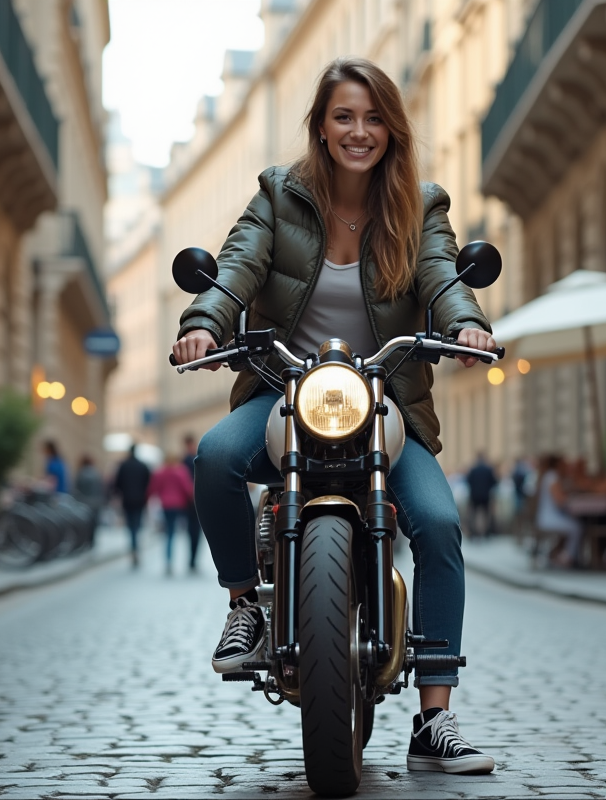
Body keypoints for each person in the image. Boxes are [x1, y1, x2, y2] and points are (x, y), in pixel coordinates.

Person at [171, 57, 496, 774]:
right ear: (321, 125)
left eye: (375, 117)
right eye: (344, 116)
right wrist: (205, 321)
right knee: (217, 458)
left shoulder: (422, 207)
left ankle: (435, 718)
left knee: (439, 523)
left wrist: (467, 322)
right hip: (283, 391)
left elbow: (442, 276)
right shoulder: (279, 196)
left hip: (382, 400)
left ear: (393, 128)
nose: (360, 131)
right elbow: (237, 267)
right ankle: (243, 604)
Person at [148, 454, 197, 576]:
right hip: (180, 505)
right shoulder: (180, 471)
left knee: (169, 533)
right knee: (186, 532)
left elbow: (153, 488)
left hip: (166, 505)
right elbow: (187, 488)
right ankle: (188, 560)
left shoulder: (160, 472)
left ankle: (169, 561)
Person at [532, 455, 582, 568]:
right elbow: (560, 500)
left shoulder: (548, 476)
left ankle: (555, 555)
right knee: (576, 527)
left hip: (547, 517)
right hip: (549, 519)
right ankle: (567, 558)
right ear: (558, 464)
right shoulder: (552, 476)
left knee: (572, 525)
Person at [112, 444, 152, 568]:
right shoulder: (142, 466)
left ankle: (134, 548)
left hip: (127, 500)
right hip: (140, 500)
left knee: (130, 526)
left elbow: (117, 483)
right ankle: (135, 548)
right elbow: (149, 482)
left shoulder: (123, 466)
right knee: (136, 525)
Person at [73, 455, 105, 545]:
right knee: (94, 522)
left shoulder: (81, 473)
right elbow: (101, 488)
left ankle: (86, 540)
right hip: (96, 501)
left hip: (84, 501)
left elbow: (77, 488)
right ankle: (92, 540)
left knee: (85, 522)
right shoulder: (97, 473)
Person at [465, 453, 498, 538]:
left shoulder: (473, 469)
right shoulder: (488, 469)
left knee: (473, 514)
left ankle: (473, 532)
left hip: (474, 495)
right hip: (485, 495)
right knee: (486, 514)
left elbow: (468, 481)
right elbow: (494, 482)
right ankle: (486, 532)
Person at [182, 433, 202, 565]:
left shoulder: (185, 460)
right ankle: (192, 559)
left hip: (191, 499)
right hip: (193, 499)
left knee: (193, 531)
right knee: (193, 531)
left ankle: (193, 558)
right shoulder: (194, 459)